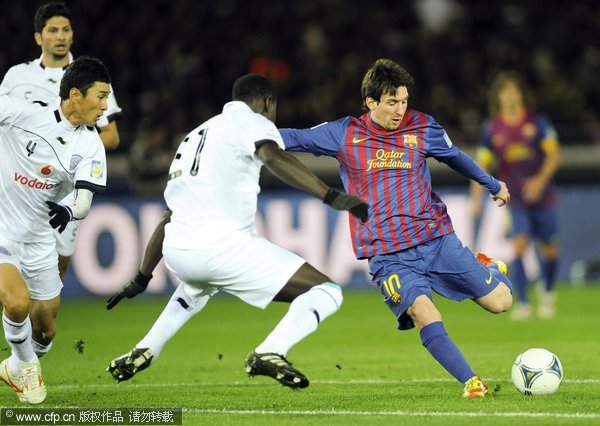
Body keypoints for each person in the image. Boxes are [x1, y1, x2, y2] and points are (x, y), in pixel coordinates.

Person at [106, 73, 369, 389]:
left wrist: (142, 277)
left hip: (177, 253)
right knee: (327, 291)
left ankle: (146, 348)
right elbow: (272, 155)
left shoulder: (192, 138)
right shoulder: (251, 120)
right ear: (268, 103)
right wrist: (331, 195)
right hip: (222, 247)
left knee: (197, 285)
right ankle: (271, 350)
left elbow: (168, 216)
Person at [278, 59, 513, 399]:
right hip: (387, 255)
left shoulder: (422, 126)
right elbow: (292, 137)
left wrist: (492, 185)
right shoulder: (345, 133)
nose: (400, 109)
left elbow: (455, 156)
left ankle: (490, 268)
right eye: (392, 102)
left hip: (435, 240)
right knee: (421, 310)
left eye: (403, 101)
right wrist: (241, 135)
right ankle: (472, 382)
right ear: (370, 102)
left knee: (500, 303)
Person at [0, 56, 110, 404]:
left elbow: (84, 201)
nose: (105, 106)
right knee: (16, 303)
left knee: (45, 328)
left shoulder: (90, 144)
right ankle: (29, 370)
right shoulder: (22, 114)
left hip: (39, 241)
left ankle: (15, 366)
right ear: (75, 95)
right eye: (101, 96)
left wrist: (68, 209)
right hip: (3, 230)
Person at [0, 1, 122, 282]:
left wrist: (69, 155)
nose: (61, 36)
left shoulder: (91, 80)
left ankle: (41, 322)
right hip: (18, 187)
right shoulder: (17, 77)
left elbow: (111, 135)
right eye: (53, 30)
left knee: (57, 268)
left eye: (66, 29)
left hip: (63, 190)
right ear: (38, 37)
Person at [471, 71, 561, 320]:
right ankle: (522, 301)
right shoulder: (492, 129)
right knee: (519, 245)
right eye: (505, 92)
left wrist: (540, 181)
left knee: (550, 250)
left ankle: (548, 290)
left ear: (521, 94)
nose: (510, 97)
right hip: (514, 199)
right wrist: (476, 198)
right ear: (498, 98)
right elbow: (480, 166)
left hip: (542, 197)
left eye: (513, 91)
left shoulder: (537, 123)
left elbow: (553, 155)